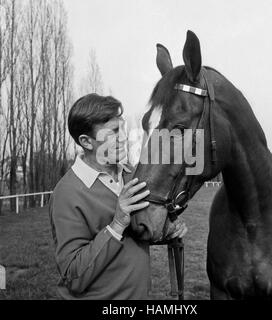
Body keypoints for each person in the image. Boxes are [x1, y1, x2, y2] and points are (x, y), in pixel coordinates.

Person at [49, 93, 187, 300]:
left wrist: (167, 231)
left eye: (122, 127)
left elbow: (139, 233)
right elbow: (74, 276)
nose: (124, 137)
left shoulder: (131, 175)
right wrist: (117, 224)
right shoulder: (67, 193)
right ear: (86, 142)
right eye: (113, 131)